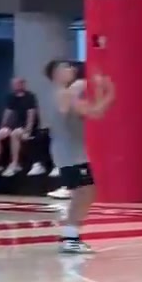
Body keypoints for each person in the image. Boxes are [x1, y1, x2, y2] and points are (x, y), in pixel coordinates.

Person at [45, 60, 115, 253]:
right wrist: (83, 85)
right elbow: (65, 107)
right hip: (67, 152)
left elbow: (96, 112)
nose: (71, 69)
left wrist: (105, 92)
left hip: (74, 151)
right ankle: (70, 238)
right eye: (65, 67)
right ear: (56, 74)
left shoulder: (69, 94)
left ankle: (70, 236)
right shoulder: (60, 93)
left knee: (85, 193)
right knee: (85, 192)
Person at [0, 78, 42, 179]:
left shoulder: (29, 97)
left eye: (17, 84)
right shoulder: (11, 97)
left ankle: (15, 163)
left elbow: (31, 114)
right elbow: (8, 112)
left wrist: (28, 130)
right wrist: (3, 126)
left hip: (25, 126)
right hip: (14, 125)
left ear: (22, 84)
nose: (14, 86)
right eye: (13, 84)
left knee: (14, 134)